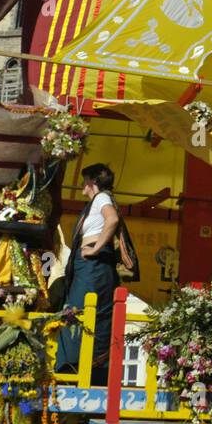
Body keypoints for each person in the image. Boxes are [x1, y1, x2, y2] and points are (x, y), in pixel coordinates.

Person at [55, 163, 120, 383]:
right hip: (93, 265)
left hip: (93, 264)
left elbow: (112, 219)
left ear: (92, 182)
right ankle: (86, 369)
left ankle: (73, 368)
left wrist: (96, 247)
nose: (83, 186)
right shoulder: (100, 199)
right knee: (88, 314)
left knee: (77, 312)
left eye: (85, 181)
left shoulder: (101, 198)